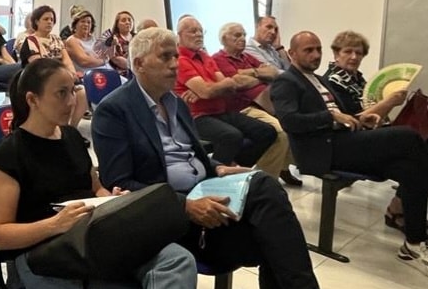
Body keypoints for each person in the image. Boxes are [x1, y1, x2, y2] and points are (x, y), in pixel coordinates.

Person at [92, 28, 404, 289]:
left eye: (176, 56)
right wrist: (185, 206)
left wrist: (221, 170)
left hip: (206, 200)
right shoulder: (114, 110)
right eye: (166, 57)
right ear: (139, 63)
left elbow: (194, 158)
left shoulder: (176, 104)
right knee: (274, 227)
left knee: (272, 222)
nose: (175, 64)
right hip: (167, 222)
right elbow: (120, 187)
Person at [0, 58, 197, 289]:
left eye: (74, 91)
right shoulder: (8, 156)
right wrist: (55, 224)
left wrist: (110, 199)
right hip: (42, 262)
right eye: (61, 93)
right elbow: (0, 235)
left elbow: (93, 188)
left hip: (92, 242)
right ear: (32, 99)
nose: (72, 101)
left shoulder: (70, 137)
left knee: (177, 258)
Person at [271, 31, 428, 270]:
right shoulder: (286, 82)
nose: (316, 54)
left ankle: (413, 243)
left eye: (318, 49)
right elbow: (290, 121)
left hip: (343, 140)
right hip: (323, 150)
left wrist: (362, 119)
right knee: (409, 136)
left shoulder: (318, 80)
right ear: (292, 53)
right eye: (308, 50)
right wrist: (331, 117)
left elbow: (346, 115)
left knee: (409, 167)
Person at [325, 30, 410, 230]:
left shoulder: (358, 79)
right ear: (336, 53)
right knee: (412, 148)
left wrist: (389, 105)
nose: (354, 57)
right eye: (348, 51)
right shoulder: (332, 81)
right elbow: (355, 120)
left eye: (359, 53)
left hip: (369, 136)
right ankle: (400, 214)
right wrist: (388, 102)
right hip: (351, 142)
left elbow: (374, 115)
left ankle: (400, 210)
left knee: (417, 156)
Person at [175, 16, 277, 169]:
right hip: (197, 116)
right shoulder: (180, 60)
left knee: (267, 132)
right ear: (180, 35)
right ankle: (215, 174)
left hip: (220, 111)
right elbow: (209, 91)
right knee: (231, 136)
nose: (199, 34)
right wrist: (211, 88)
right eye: (193, 31)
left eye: (201, 31)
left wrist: (208, 89)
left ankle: (235, 168)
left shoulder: (205, 57)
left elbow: (230, 86)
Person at [212, 22, 301, 186]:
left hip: (265, 104)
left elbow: (273, 72)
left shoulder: (246, 57)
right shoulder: (218, 59)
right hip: (243, 108)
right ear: (224, 39)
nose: (242, 38)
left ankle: (281, 168)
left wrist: (249, 73)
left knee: (291, 122)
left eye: (244, 35)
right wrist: (260, 76)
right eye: (237, 35)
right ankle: (265, 181)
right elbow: (237, 82)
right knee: (280, 132)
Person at [19, 5, 89, 128]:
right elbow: (38, 66)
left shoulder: (56, 39)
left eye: (52, 19)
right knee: (59, 93)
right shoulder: (31, 41)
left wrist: (71, 74)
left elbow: (66, 59)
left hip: (60, 78)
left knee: (81, 93)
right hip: (41, 79)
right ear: (37, 21)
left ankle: (70, 128)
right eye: (46, 19)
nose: (49, 22)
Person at [64, 9, 108, 74]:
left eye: (89, 22)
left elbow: (105, 54)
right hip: (86, 75)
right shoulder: (72, 40)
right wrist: (103, 61)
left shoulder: (93, 38)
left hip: (101, 71)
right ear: (75, 24)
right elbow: (84, 61)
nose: (86, 24)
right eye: (83, 21)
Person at [94, 10, 135, 78]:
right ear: (117, 24)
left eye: (129, 20)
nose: (127, 22)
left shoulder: (138, 37)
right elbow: (112, 58)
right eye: (123, 20)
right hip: (117, 74)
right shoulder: (110, 37)